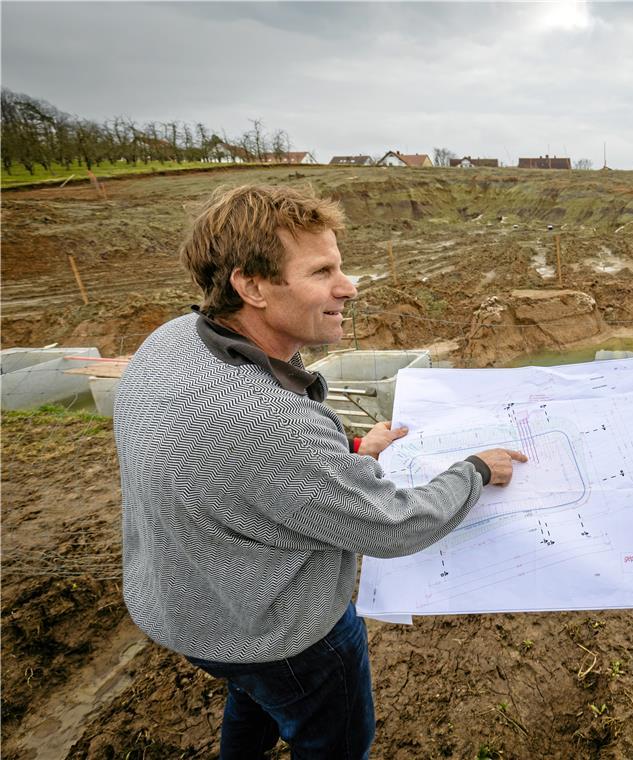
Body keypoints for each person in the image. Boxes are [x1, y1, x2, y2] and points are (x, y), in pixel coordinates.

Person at [115, 184, 526, 759]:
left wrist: (350, 450)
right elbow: (393, 526)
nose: (348, 286)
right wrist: (476, 470)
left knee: (254, 697)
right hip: (285, 639)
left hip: (192, 610)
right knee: (335, 739)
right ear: (251, 285)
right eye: (322, 271)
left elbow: (243, 475)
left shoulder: (171, 340)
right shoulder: (271, 424)